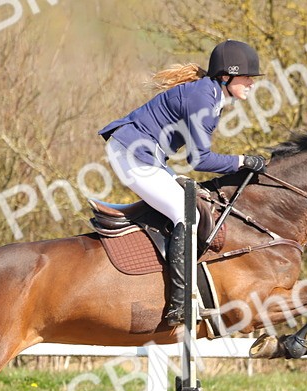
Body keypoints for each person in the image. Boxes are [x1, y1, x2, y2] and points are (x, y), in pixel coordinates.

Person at [98, 40, 268, 326]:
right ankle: (180, 304)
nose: (252, 83)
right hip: (133, 153)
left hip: (144, 154)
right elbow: (199, 160)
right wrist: (242, 161)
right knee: (185, 215)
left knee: (193, 204)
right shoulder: (204, 97)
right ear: (226, 75)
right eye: (247, 76)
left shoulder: (211, 95)